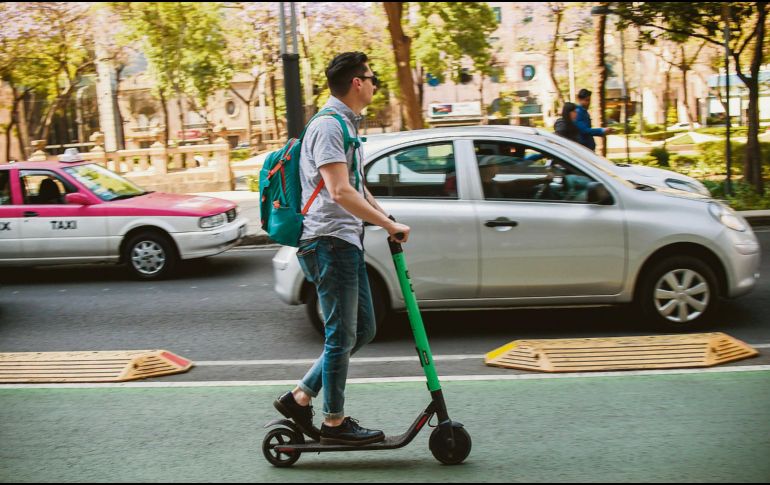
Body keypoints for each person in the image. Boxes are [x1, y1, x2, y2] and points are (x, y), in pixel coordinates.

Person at [273, 52, 411, 446]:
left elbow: (356, 187)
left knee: (363, 329)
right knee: (340, 335)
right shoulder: (329, 126)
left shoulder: (345, 125)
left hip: (343, 241)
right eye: (372, 77)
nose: (375, 84)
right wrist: (386, 225)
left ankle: (300, 397)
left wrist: (386, 218)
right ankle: (334, 423)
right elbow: (338, 191)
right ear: (356, 82)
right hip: (328, 242)